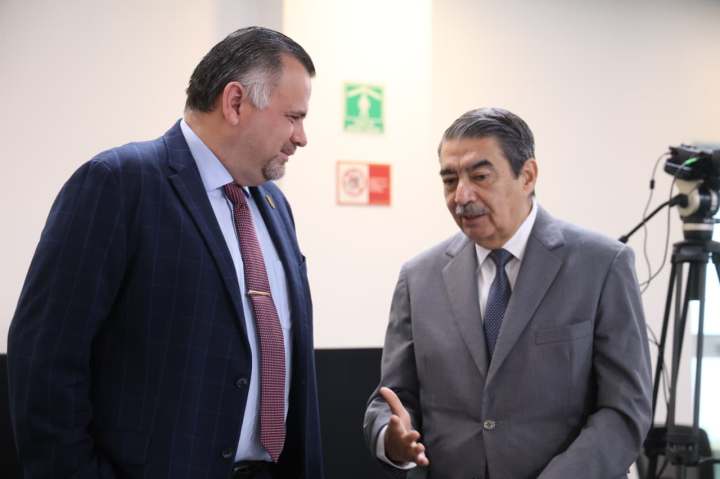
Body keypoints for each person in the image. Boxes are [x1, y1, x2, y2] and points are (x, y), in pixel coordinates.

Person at [8, 26, 323, 479]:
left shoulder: (273, 205)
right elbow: (46, 361)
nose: (301, 137)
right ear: (235, 102)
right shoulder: (119, 184)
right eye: (293, 117)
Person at [364, 107, 652, 478]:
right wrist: (391, 439)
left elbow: (625, 410)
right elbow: (392, 398)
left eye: (480, 176)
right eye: (450, 180)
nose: (461, 195)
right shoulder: (418, 278)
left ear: (527, 175)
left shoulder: (602, 265)